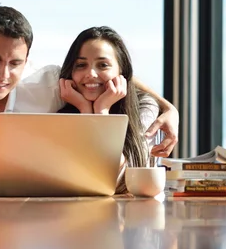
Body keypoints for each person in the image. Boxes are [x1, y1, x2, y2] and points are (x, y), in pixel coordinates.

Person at [0, 5, 178, 193]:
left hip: (23, 206)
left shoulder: (46, 82)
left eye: (15, 63)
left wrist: (169, 107)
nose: (2, 74)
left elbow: (104, 76)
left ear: (27, 61)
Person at [57, 26, 159, 193]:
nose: (90, 73)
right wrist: (85, 111)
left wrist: (102, 111)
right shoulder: (62, 114)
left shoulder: (144, 106)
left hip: (131, 214)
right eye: (81, 65)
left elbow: (119, 180)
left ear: (122, 71)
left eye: (103, 65)